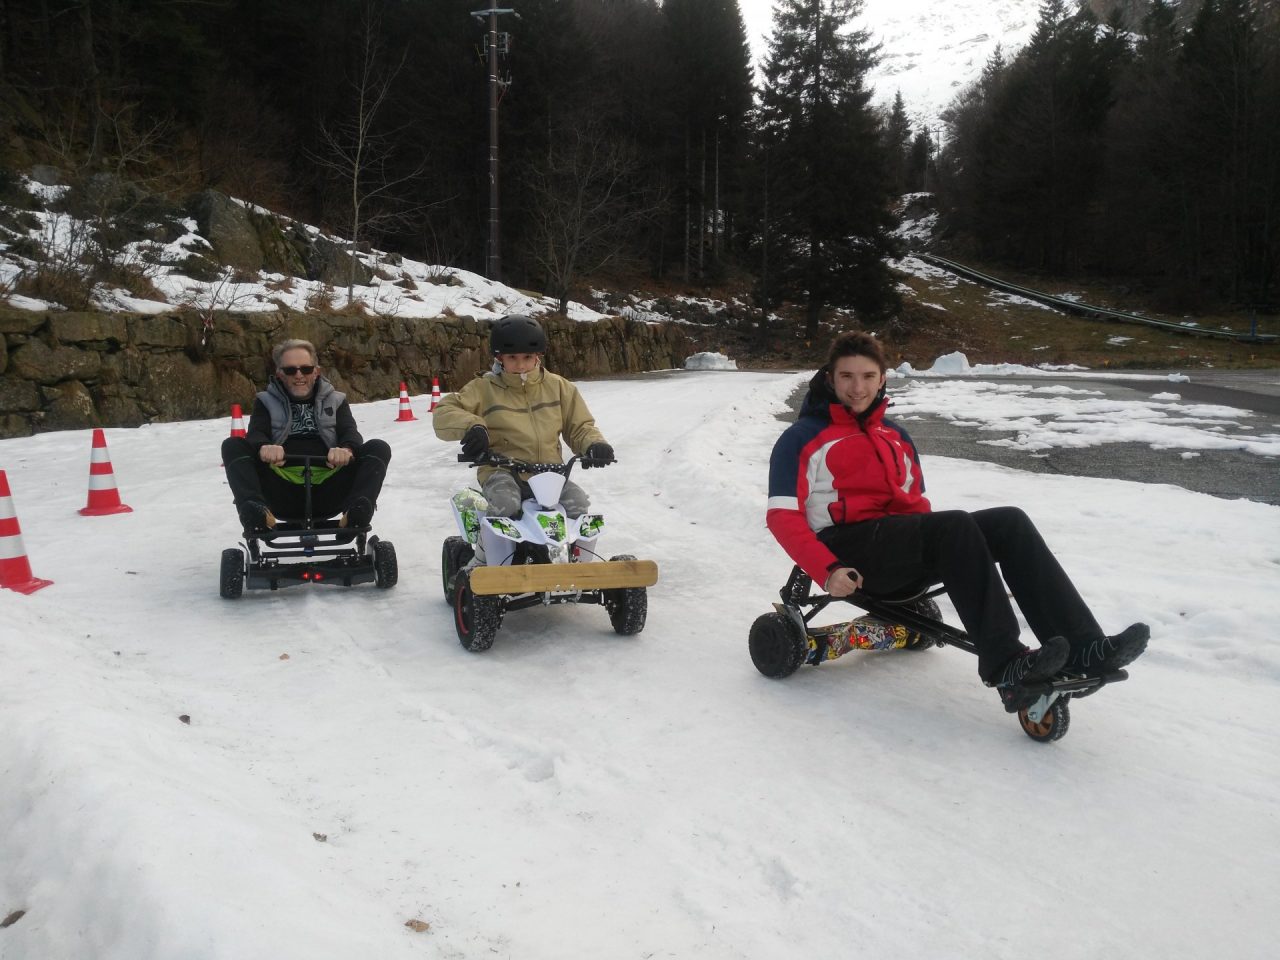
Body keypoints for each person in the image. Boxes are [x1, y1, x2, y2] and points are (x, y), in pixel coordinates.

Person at [765, 331, 1148, 710]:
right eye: (846, 376)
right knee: (955, 525)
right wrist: (826, 569)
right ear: (830, 379)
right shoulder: (802, 438)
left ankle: (1085, 648)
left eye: (867, 376)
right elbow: (782, 517)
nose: (857, 387)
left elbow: (916, 508)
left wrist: (951, 554)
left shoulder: (895, 436)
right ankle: (1006, 663)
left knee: (1009, 522)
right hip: (847, 551)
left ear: (883, 379)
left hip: (894, 547)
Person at [432, 314, 614, 524]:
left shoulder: (559, 387)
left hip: (550, 473)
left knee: (578, 506)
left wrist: (594, 444)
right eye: (512, 358)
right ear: (500, 358)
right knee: (506, 505)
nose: (520, 366)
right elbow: (444, 411)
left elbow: (580, 427)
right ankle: (486, 556)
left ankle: (578, 556)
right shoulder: (483, 388)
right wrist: (473, 427)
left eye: (527, 357)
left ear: (538, 356)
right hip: (501, 471)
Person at [221, 339, 392, 531]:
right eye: (290, 370)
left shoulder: (336, 400)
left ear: (316, 371)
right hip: (281, 487)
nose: (299, 375)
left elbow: (349, 432)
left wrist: (346, 449)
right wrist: (263, 447)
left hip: (329, 484)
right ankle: (254, 510)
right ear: (280, 374)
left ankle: (358, 510)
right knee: (232, 445)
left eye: (306, 369)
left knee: (378, 447)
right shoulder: (265, 401)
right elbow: (256, 433)